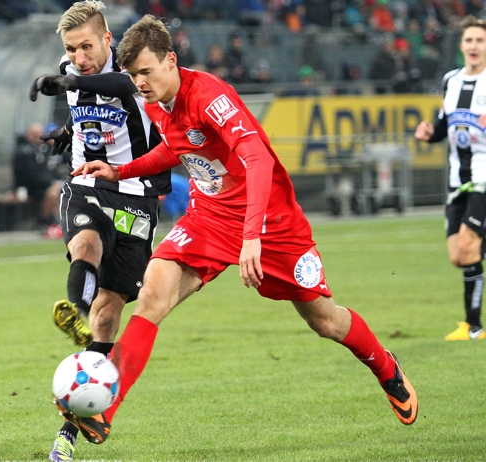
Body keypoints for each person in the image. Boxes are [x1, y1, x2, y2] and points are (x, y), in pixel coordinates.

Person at [67, 14, 419, 453]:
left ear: (171, 60)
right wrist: (121, 170)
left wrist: (252, 236)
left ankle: (386, 366)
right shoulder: (157, 100)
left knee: (324, 320)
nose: (139, 82)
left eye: (146, 72)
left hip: (270, 222)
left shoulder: (210, 96)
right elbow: (178, 149)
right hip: (208, 217)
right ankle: (105, 406)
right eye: (134, 75)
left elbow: (259, 160)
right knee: (153, 296)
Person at [27, 2, 171, 460]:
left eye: (86, 46)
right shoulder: (71, 70)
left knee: (109, 316)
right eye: (70, 50)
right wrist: (64, 135)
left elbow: (118, 88)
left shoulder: (133, 68)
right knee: (85, 244)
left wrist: (72, 80)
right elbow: (89, 111)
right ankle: (76, 310)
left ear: (107, 40)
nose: (78, 56)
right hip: (87, 181)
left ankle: (72, 426)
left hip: (137, 194)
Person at [414, 16, 486, 341]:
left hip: (484, 177)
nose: (474, 46)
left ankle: (473, 327)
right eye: (469, 40)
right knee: (459, 255)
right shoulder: (451, 80)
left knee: (469, 246)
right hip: (458, 178)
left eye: (480, 41)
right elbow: (444, 124)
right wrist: (429, 133)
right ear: (461, 46)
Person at [12, 122, 63, 233]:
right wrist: (18, 189)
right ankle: (45, 220)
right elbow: (23, 174)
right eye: (35, 134)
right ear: (29, 135)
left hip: (48, 184)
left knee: (60, 190)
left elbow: (55, 167)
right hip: (33, 187)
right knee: (53, 193)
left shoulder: (47, 150)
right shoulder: (24, 152)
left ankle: (57, 221)